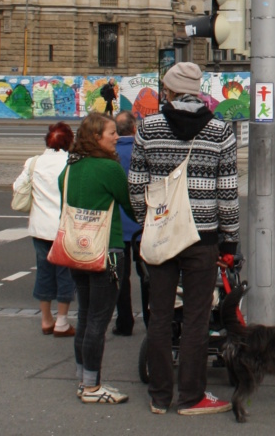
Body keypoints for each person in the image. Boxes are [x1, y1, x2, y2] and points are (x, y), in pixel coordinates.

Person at [129, 62, 239, 416]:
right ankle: (192, 397)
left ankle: (160, 396)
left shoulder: (148, 128)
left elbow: (135, 186)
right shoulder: (220, 131)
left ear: (170, 91)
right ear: (198, 90)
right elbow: (228, 193)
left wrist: (147, 223)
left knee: (159, 315)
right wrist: (229, 241)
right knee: (196, 317)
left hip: (161, 236)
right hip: (202, 238)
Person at [63, 112, 135, 405]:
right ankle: (92, 388)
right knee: (98, 320)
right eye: (111, 134)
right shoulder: (109, 168)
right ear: (96, 138)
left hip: (76, 250)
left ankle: (84, 378)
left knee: (84, 315)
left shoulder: (69, 168)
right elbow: (131, 208)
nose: (117, 137)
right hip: (106, 251)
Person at [13, 121, 75, 337]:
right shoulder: (72, 162)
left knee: (44, 271)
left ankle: (46, 319)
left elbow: (18, 187)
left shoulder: (34, 162)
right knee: (65, 272)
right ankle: (62, 321)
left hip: (40, 228)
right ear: (69, 141)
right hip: (64, 226)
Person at [111, 111, 147, 336]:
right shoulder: (143, 149)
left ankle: (124, 322)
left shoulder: (110, 152)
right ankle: (152, 321)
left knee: (120, 278)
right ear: (134, 128)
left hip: (118, 225)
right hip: (142, 225)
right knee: (147, 276)